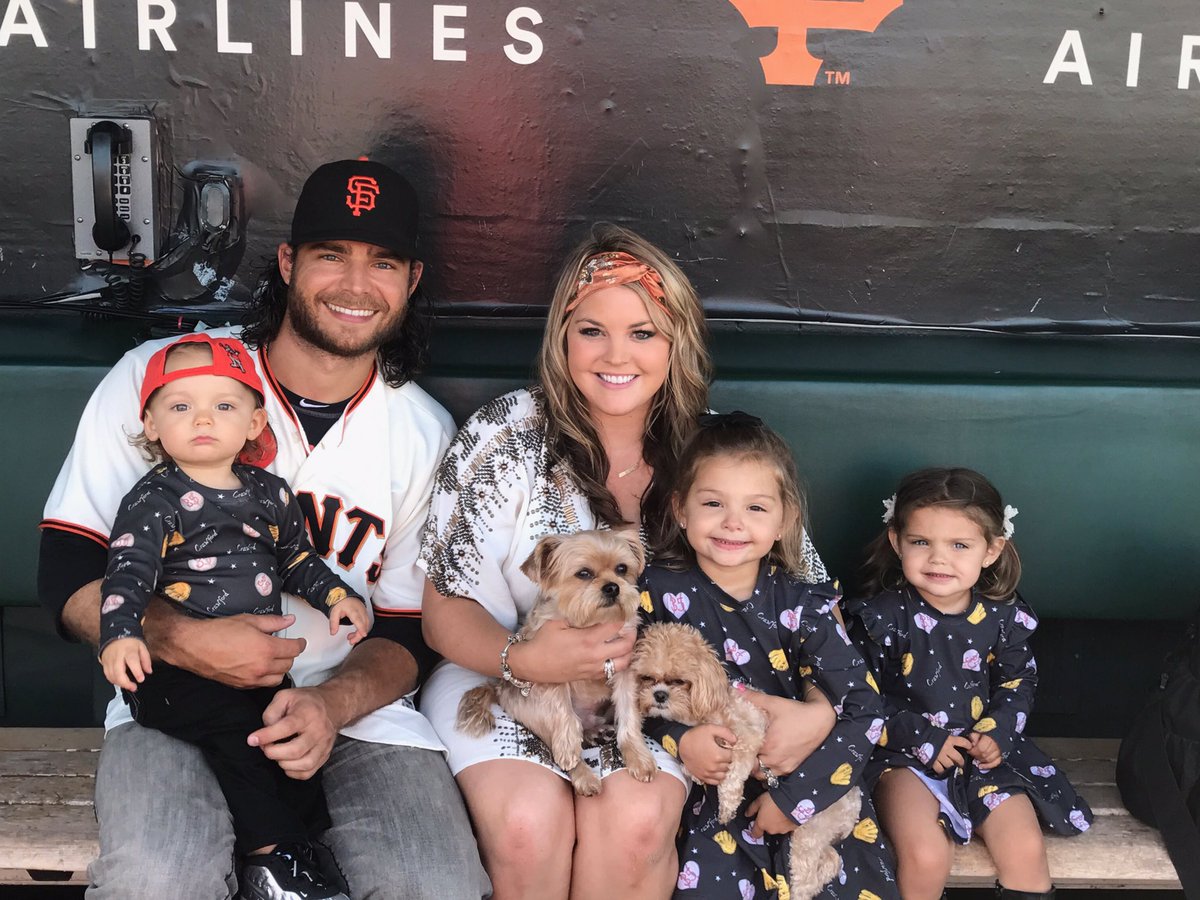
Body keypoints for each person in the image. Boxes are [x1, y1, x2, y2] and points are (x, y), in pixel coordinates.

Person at [39, 158, 490, 900]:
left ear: (411, 281)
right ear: (286, 264)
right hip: (172, 699)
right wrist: (184, 639)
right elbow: (67, 567)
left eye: (382, 262)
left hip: (352, 719)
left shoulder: (424, 434)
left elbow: (409, 630)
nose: (354, 283)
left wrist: (332, 704)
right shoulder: (165, 381)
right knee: (157, 878)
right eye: (329, 255)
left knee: (436, 884)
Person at [419, 225, 831, 898]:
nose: (616, 354)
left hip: (659, 703)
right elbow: (444, 609)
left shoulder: (719, 453)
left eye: (643, 333)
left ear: (677, 344)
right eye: (591, 331)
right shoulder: (508, 433)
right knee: (528, 824)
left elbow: (810, 596)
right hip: (502, 683)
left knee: (636, 824)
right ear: (561, 336)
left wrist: (817, 711)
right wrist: (523, 660)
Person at [100, 334, 371, 899]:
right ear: (150, 424)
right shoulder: (154, 498)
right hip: (171, 676)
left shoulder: (269, 494)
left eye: (224, 405)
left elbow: (297, 560)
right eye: (181, 407)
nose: (203, 419)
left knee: (284, 737)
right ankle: (268, 861)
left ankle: (301, 848)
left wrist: (336, 598)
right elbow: (128, 573)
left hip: (261, 670)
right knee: (239, 735)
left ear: (253, 423)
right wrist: (121, 635)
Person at [639, 413, 899, 899]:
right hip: (715, 800)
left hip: (814, 786)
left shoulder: (803, 604)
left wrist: (795, 800)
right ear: (679, 509)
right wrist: (681, 739)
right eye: (713, 503)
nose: (733, 522)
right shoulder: (653, 593)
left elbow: (864, 710)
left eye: (756, 508)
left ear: (784, 522)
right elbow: (636, 695)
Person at [843, 468, 1094, 900]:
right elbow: (858, 697)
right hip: (902, 757)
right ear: (896, 541)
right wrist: (922, 737)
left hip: (983, 755)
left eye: (959, 545)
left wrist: (996, 731)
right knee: (925, 854)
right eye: (922, 542)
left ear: (992, 550)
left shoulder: (1002, 618)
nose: (939, 559)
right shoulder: (879, 618)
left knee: (1025, 847)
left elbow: (1018, 681)